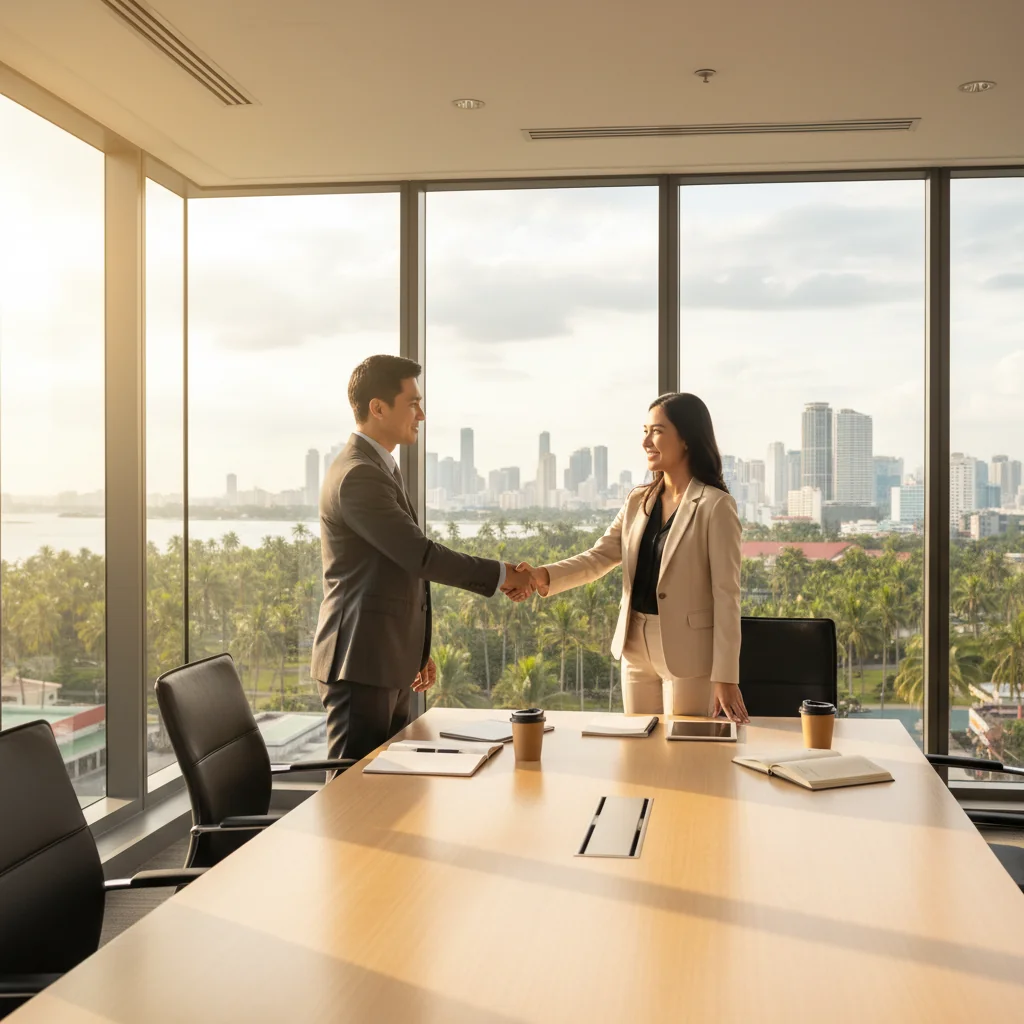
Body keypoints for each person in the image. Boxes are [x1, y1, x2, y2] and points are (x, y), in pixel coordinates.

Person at [311, 354, 531, 763]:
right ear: (378, 408)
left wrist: (415, 650)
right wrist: (503, 575)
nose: (422, 414)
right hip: (359, 662)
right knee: (352, 798)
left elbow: (393, 571)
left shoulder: (378, 467)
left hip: (381, 659)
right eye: (412, 403)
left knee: (391, 791)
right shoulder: (359, 474)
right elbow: (419, 556)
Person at [510, 393, 748, 723]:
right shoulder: (638, 500)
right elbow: (599, 557)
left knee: (684, 757)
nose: (646, 441)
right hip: (635, 645)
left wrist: (726, 675)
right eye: (645, 430)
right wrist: (540, 575)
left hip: (689, 654)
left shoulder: (715, 506)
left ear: (687, 439)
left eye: (657, 431)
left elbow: (727, 597)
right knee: (638, 751)